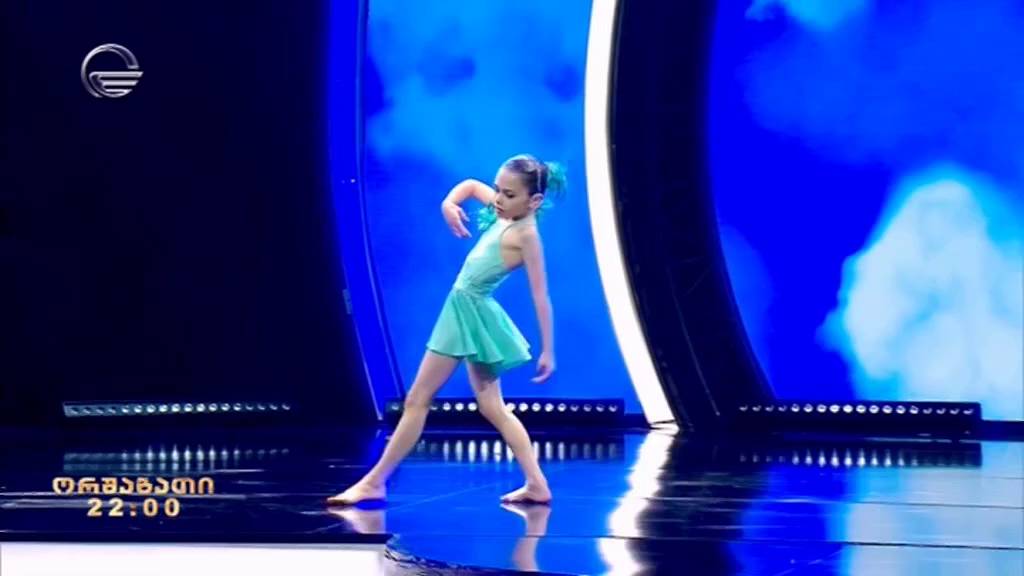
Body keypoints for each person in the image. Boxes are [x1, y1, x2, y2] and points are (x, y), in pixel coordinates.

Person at [327, 154, 566, 506]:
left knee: (418, 400)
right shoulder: (506, 213)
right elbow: (469, 186)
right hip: (471, 313)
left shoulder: (526, 234)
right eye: (498, 190)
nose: (498, 199)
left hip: (467, 314)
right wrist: (449, 204)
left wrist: (548, 349)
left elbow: (540, 295)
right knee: (492, 407)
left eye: (509, 194)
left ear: (535, 201)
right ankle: (537, 484)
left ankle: (375, 482)